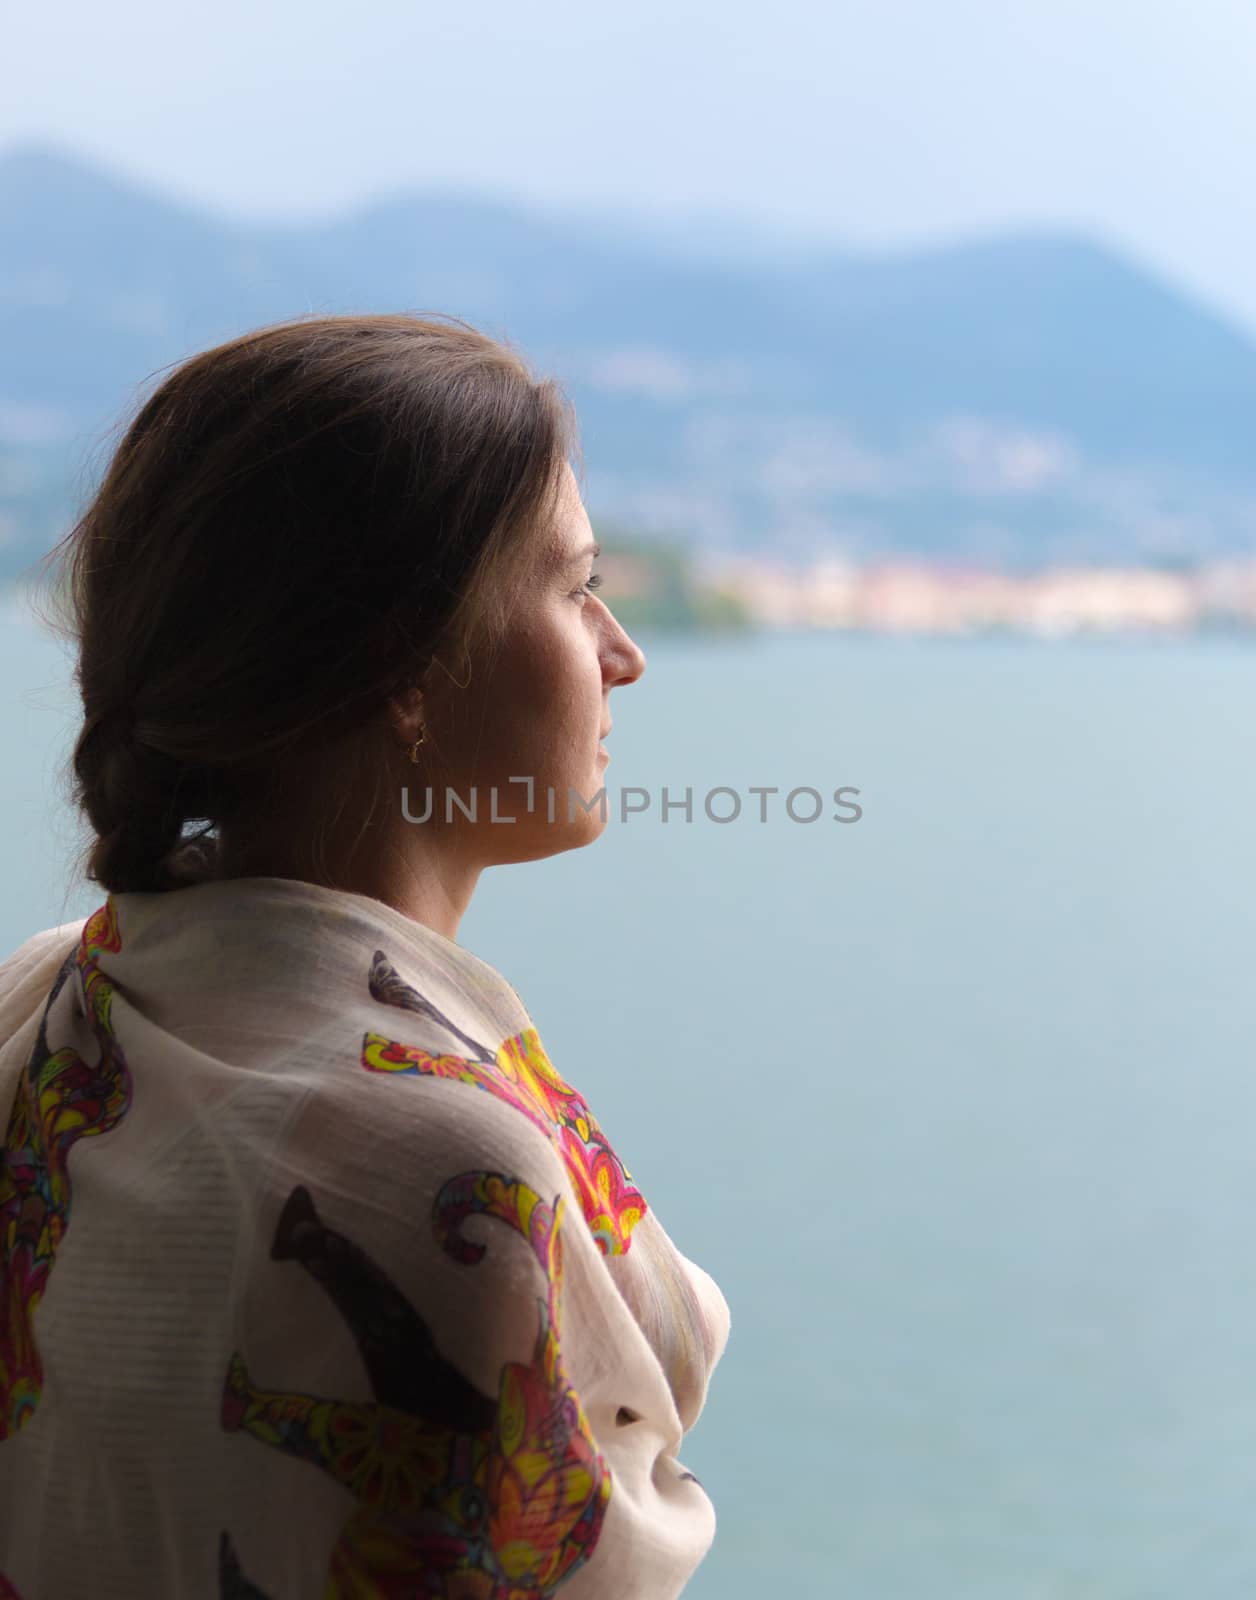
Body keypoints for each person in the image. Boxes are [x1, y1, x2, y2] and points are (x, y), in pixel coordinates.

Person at [0, 314, 730, 1599]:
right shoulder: (439, 1166)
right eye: (573, 589)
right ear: (403, 663)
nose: (623, 654)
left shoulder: (52, 997)